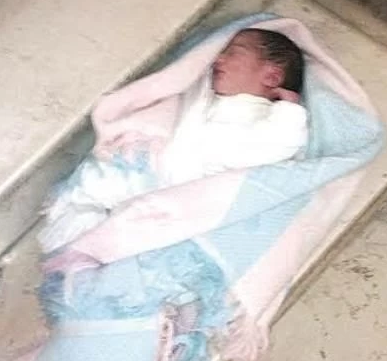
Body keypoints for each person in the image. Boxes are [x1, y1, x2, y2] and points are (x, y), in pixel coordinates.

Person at [39, 28, 308, 254]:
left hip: (190, 191)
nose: (218, 58)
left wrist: (291, 111)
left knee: (140, 238)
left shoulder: (270, 117)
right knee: (95, 191)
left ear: (271, 76)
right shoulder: (206, 93)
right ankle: (77, 228)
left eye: (232, 52)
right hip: (157, 173)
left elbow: (276, 147)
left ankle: (93, 251)